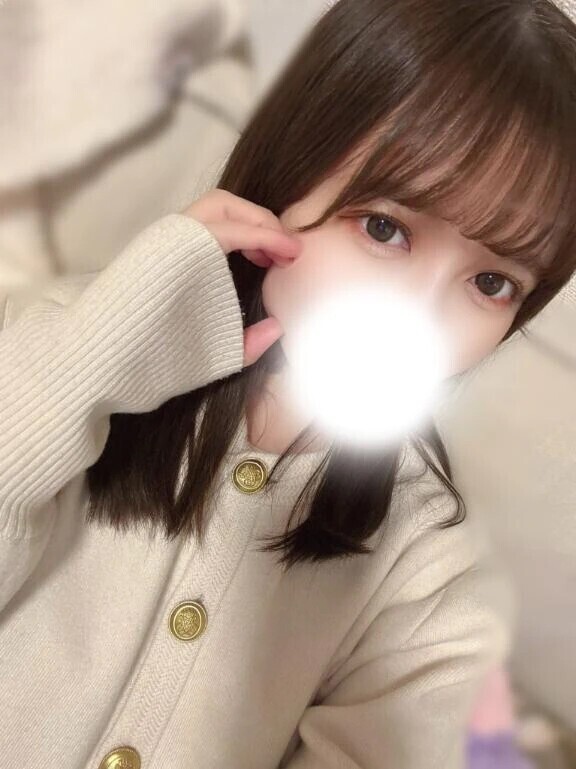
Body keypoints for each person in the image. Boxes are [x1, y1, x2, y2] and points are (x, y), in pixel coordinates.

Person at [1, 1, 576, 767]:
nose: (421, 314)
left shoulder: (423, 558)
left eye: (492, 282)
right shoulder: (59, 357)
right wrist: (91, 358)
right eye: (385, 228)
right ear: (288, 176)